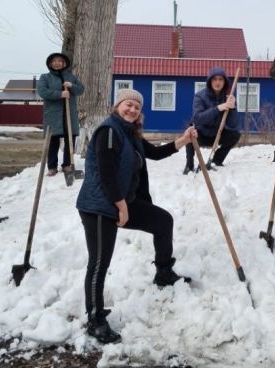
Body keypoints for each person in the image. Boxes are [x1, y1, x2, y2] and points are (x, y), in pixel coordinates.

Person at [76, 88, 197, 344]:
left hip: (122, 203)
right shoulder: (109, 132)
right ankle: (95, 319)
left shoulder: (130, 134)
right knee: (99, 263)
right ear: (117, 106)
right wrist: (121, 207)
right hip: (99, 206)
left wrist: (184, 139)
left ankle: (163, 272)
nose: (132, 110)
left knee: (163, 221)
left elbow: (155, 153)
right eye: (127, 105)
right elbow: (107, 173)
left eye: (136, 107)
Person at [183, 66, 241, 174]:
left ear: (225, 82)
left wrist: (232, 109)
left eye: (220, 79)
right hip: (201, 133)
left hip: (217, 134)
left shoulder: (228, 98)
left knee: (235, 135)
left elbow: (233, 125)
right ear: (210, 81)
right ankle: (189, 165)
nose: (217, 82)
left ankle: (216, 160)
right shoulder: (200, 96)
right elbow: (197, 118)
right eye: (214, 79)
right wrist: (218, 108)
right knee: (190, 132)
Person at [37, 52, 85, 176]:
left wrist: (72, 86)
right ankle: (52, 167)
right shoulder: (45, 77)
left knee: (70, 139)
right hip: (53, 115)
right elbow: (42, 92)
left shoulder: (70, 76)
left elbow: (81, 89)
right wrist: (60, 94)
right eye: (54, 61)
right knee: (53, 141)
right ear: (50, 63)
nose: (57, 63)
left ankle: (67, 164)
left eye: (59, 61)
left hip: (69, 114)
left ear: (64, 63)